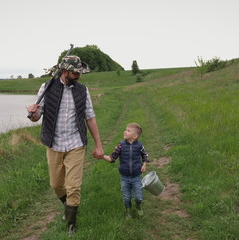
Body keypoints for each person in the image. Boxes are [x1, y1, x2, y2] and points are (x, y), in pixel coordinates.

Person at [27, 55, 104, 236]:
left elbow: (90, 118)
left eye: (80, 72)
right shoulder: (47, 88)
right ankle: (68, 206)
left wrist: (98, 145)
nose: (78, 75)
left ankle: (71, 224)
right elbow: (37, 117)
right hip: (53, 143)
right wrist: (33, 113)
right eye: (75, 72)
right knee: (56, 184)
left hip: (76, 143)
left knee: (73, 186)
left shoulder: (82, 90)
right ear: (64, 71)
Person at [101, 123, 149, 219]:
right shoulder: (120, 145)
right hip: (124, 177)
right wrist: (101, 156)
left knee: (138, 197)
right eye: (125, 129)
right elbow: (112, 158)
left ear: (134, 136)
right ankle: (128, 211)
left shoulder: (139, 145)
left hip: (136, 176)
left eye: (128, 130)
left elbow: (145, 155)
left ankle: (138, 206)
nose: (125, 131)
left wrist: (144, 165)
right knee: (126, 197)